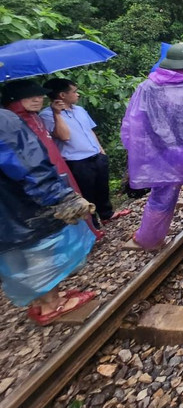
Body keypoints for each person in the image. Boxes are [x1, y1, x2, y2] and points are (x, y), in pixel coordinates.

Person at [122, 43, 183, 261]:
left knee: (160, 197)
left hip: (163, 156)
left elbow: (133, 124)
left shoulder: (146, 88)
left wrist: (138, 151)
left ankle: (149, 239)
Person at [0, 107, 97, 325]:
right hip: (18, 206)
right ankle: (51, 305)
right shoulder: (4, 121)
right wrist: (60, 196)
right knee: (39, 251)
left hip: (4, 215)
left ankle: (39, 301)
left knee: (15, 257)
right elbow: (27, 164)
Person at [2, 80, 103, 238]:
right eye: (29, 96)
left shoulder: (35, 118)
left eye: (39, 95)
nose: (37, 99)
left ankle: (89, 234)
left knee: (76, 203)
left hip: (57, 169)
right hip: (38, 182)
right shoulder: (11, 124)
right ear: (14, 98)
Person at [40, 78, 113, 223]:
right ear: (62, 95)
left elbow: (90, 130)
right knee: (86, 194)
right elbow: (64, 136)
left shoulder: (80, 110)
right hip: (77, 162)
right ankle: (93, 224)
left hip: (95, 155)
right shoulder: (46, 115)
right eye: (74, 92)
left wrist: (101, 150)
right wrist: (57, 114)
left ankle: (107, 216)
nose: (77, 94)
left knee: (102, 188)